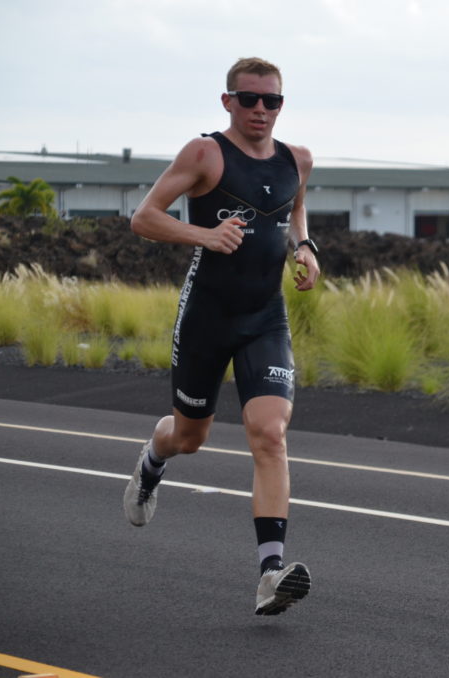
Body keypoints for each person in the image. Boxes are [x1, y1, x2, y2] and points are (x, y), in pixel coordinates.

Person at [123, 57, 320, 616]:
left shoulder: (297, 160)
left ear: (282, 104)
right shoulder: (204, 153)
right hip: (206, 317)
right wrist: (203, 234)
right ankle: (151, 464)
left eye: (272, 101)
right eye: (249, 98)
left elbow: (295, 211)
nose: (261, 110)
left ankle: (270, 574)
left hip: (266, 317)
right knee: (190, 437)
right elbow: (144, 217)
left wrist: (305, 249)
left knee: (269, 433)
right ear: (227, 100)